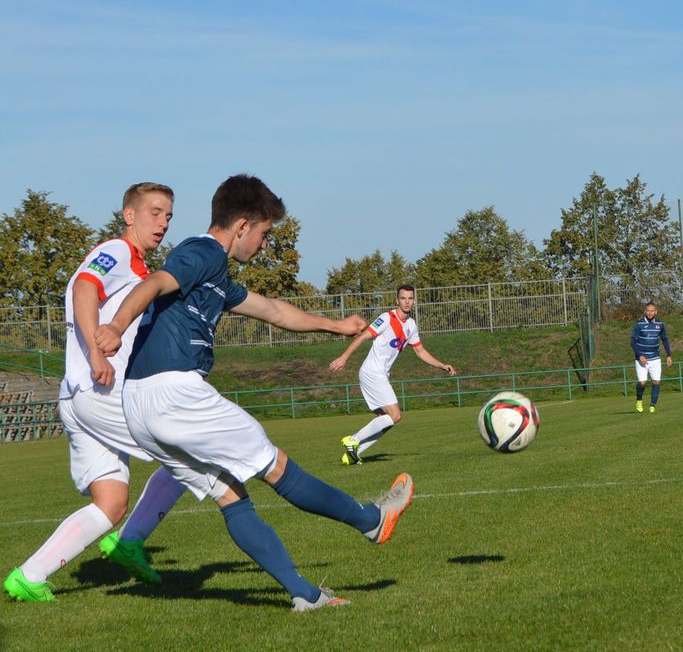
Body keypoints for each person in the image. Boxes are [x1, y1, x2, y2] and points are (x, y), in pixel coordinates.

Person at [93, 174, 412, 612]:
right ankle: (372, 520)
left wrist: (336, 325)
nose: (263, 244)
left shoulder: (216, 277)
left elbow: (274, 311)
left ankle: (304, 595)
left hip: (140, 404)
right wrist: (115, 325)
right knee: (277, 467)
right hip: (174, 393)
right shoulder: (201, 251)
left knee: (230, 495)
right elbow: (154, 284)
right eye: (263, 233)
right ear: (241, 225)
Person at [5, 183, 188, 603]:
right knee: (188, 454)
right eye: (155, 212)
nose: (163, 222)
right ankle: (131, 542)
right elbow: (83, 287)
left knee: (111, 503)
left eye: (169, 216)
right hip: (98, 390)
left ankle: (29, 576)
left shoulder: (140, 270)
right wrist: (94, 352)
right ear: (129, 215)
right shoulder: (119, 252)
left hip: (78, 396)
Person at [330, 285, 456, 465]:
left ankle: (352, 455)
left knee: (387, 420)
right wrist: (344, 357)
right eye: (403, 298)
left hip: (379, 374)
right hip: (373, 372)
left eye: (410, 298)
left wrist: (441, 365)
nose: (406, 301)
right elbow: (364, 336)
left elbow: (420, 351)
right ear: (397, 300)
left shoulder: (411, 325)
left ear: (414, 301)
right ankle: (353, 439)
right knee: (395, 415)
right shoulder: (387, 318)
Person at [630, 301, 672, 413]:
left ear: (656, 312)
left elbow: (665, 340)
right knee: (642, 383)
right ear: (645, 311)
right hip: (641, 360)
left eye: (652, 311)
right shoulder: (639, 324)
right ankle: (639, 400)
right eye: (648, 310)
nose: (650, 313)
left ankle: (652, 405)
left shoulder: (660, 324)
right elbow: (633, 342)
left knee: (656, 382)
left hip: (655, 358)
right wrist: (640, 355)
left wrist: (669, 355)